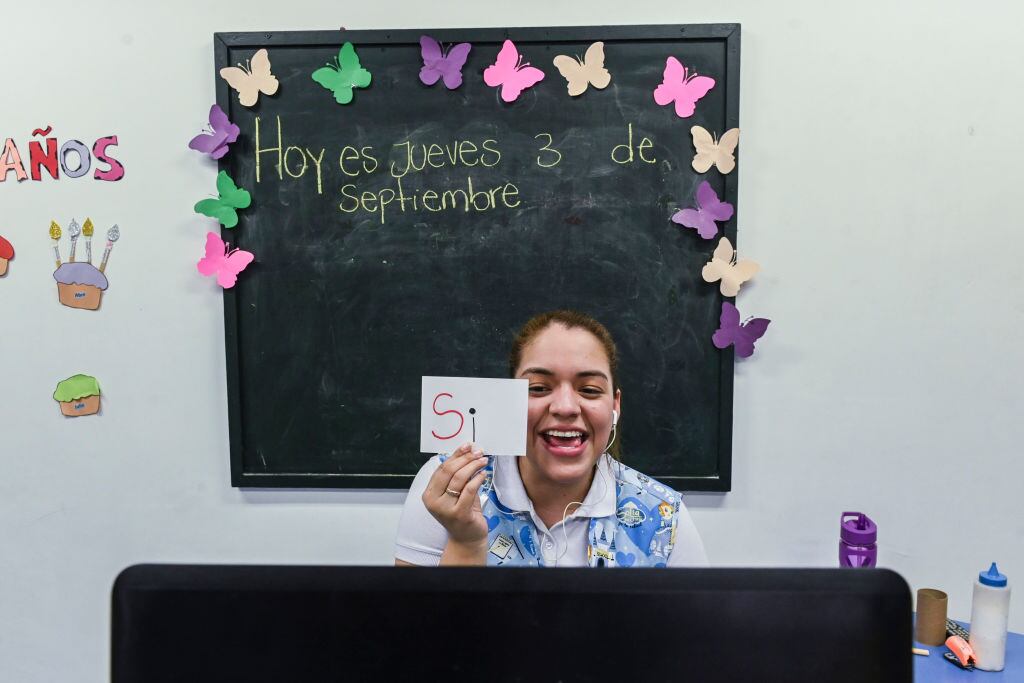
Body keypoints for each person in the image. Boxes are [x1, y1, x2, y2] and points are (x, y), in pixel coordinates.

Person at [395, 310, 708, 567]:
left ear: (615, 406)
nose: (565, 407)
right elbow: (416, 637)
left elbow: (695, 640)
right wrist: (466, 542)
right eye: (539, 388)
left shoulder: (664, 517)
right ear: (510, 399)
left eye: (589, 389)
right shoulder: (450, 487)